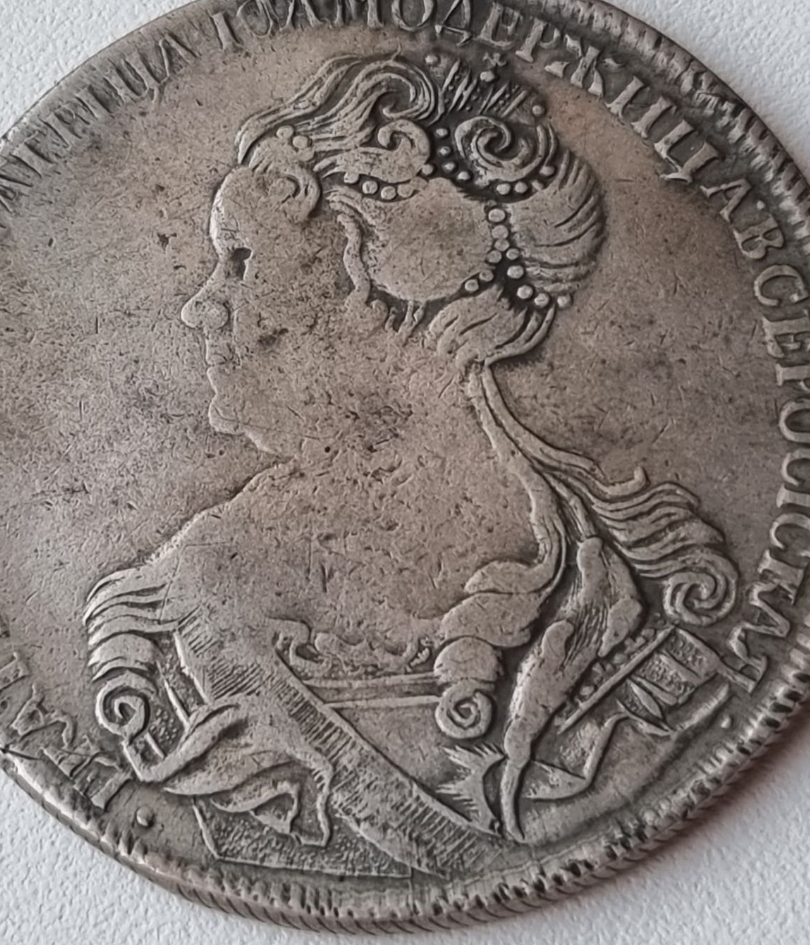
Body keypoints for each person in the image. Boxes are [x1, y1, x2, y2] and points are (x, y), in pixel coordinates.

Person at [83, 52, 737, 864]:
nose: (200, 306)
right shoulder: (181, 605)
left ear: (384, 283)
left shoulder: (620, 590)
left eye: (243, 259)